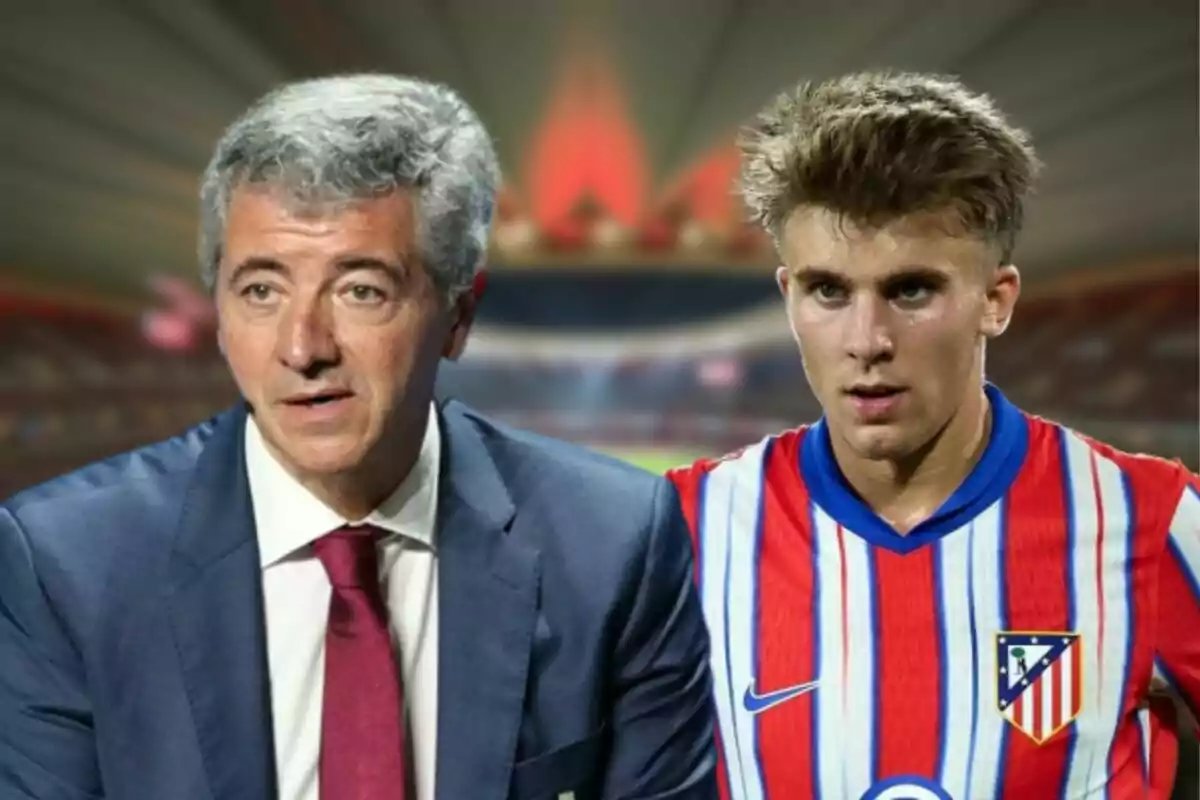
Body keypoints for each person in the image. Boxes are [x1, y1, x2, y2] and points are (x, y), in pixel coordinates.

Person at [0, 74, 718, 800]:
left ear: (460, 315)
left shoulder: (615, 544)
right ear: (217, 307)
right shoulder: (67, 563)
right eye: (261, 290)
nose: (303, 347)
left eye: (361, 290)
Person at [667, 70, 1200, 800]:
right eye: (830, 291)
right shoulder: (681, 534)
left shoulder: (1156, 522)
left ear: (995, 300)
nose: (868, 340)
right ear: (789, 296)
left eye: (911, 290)